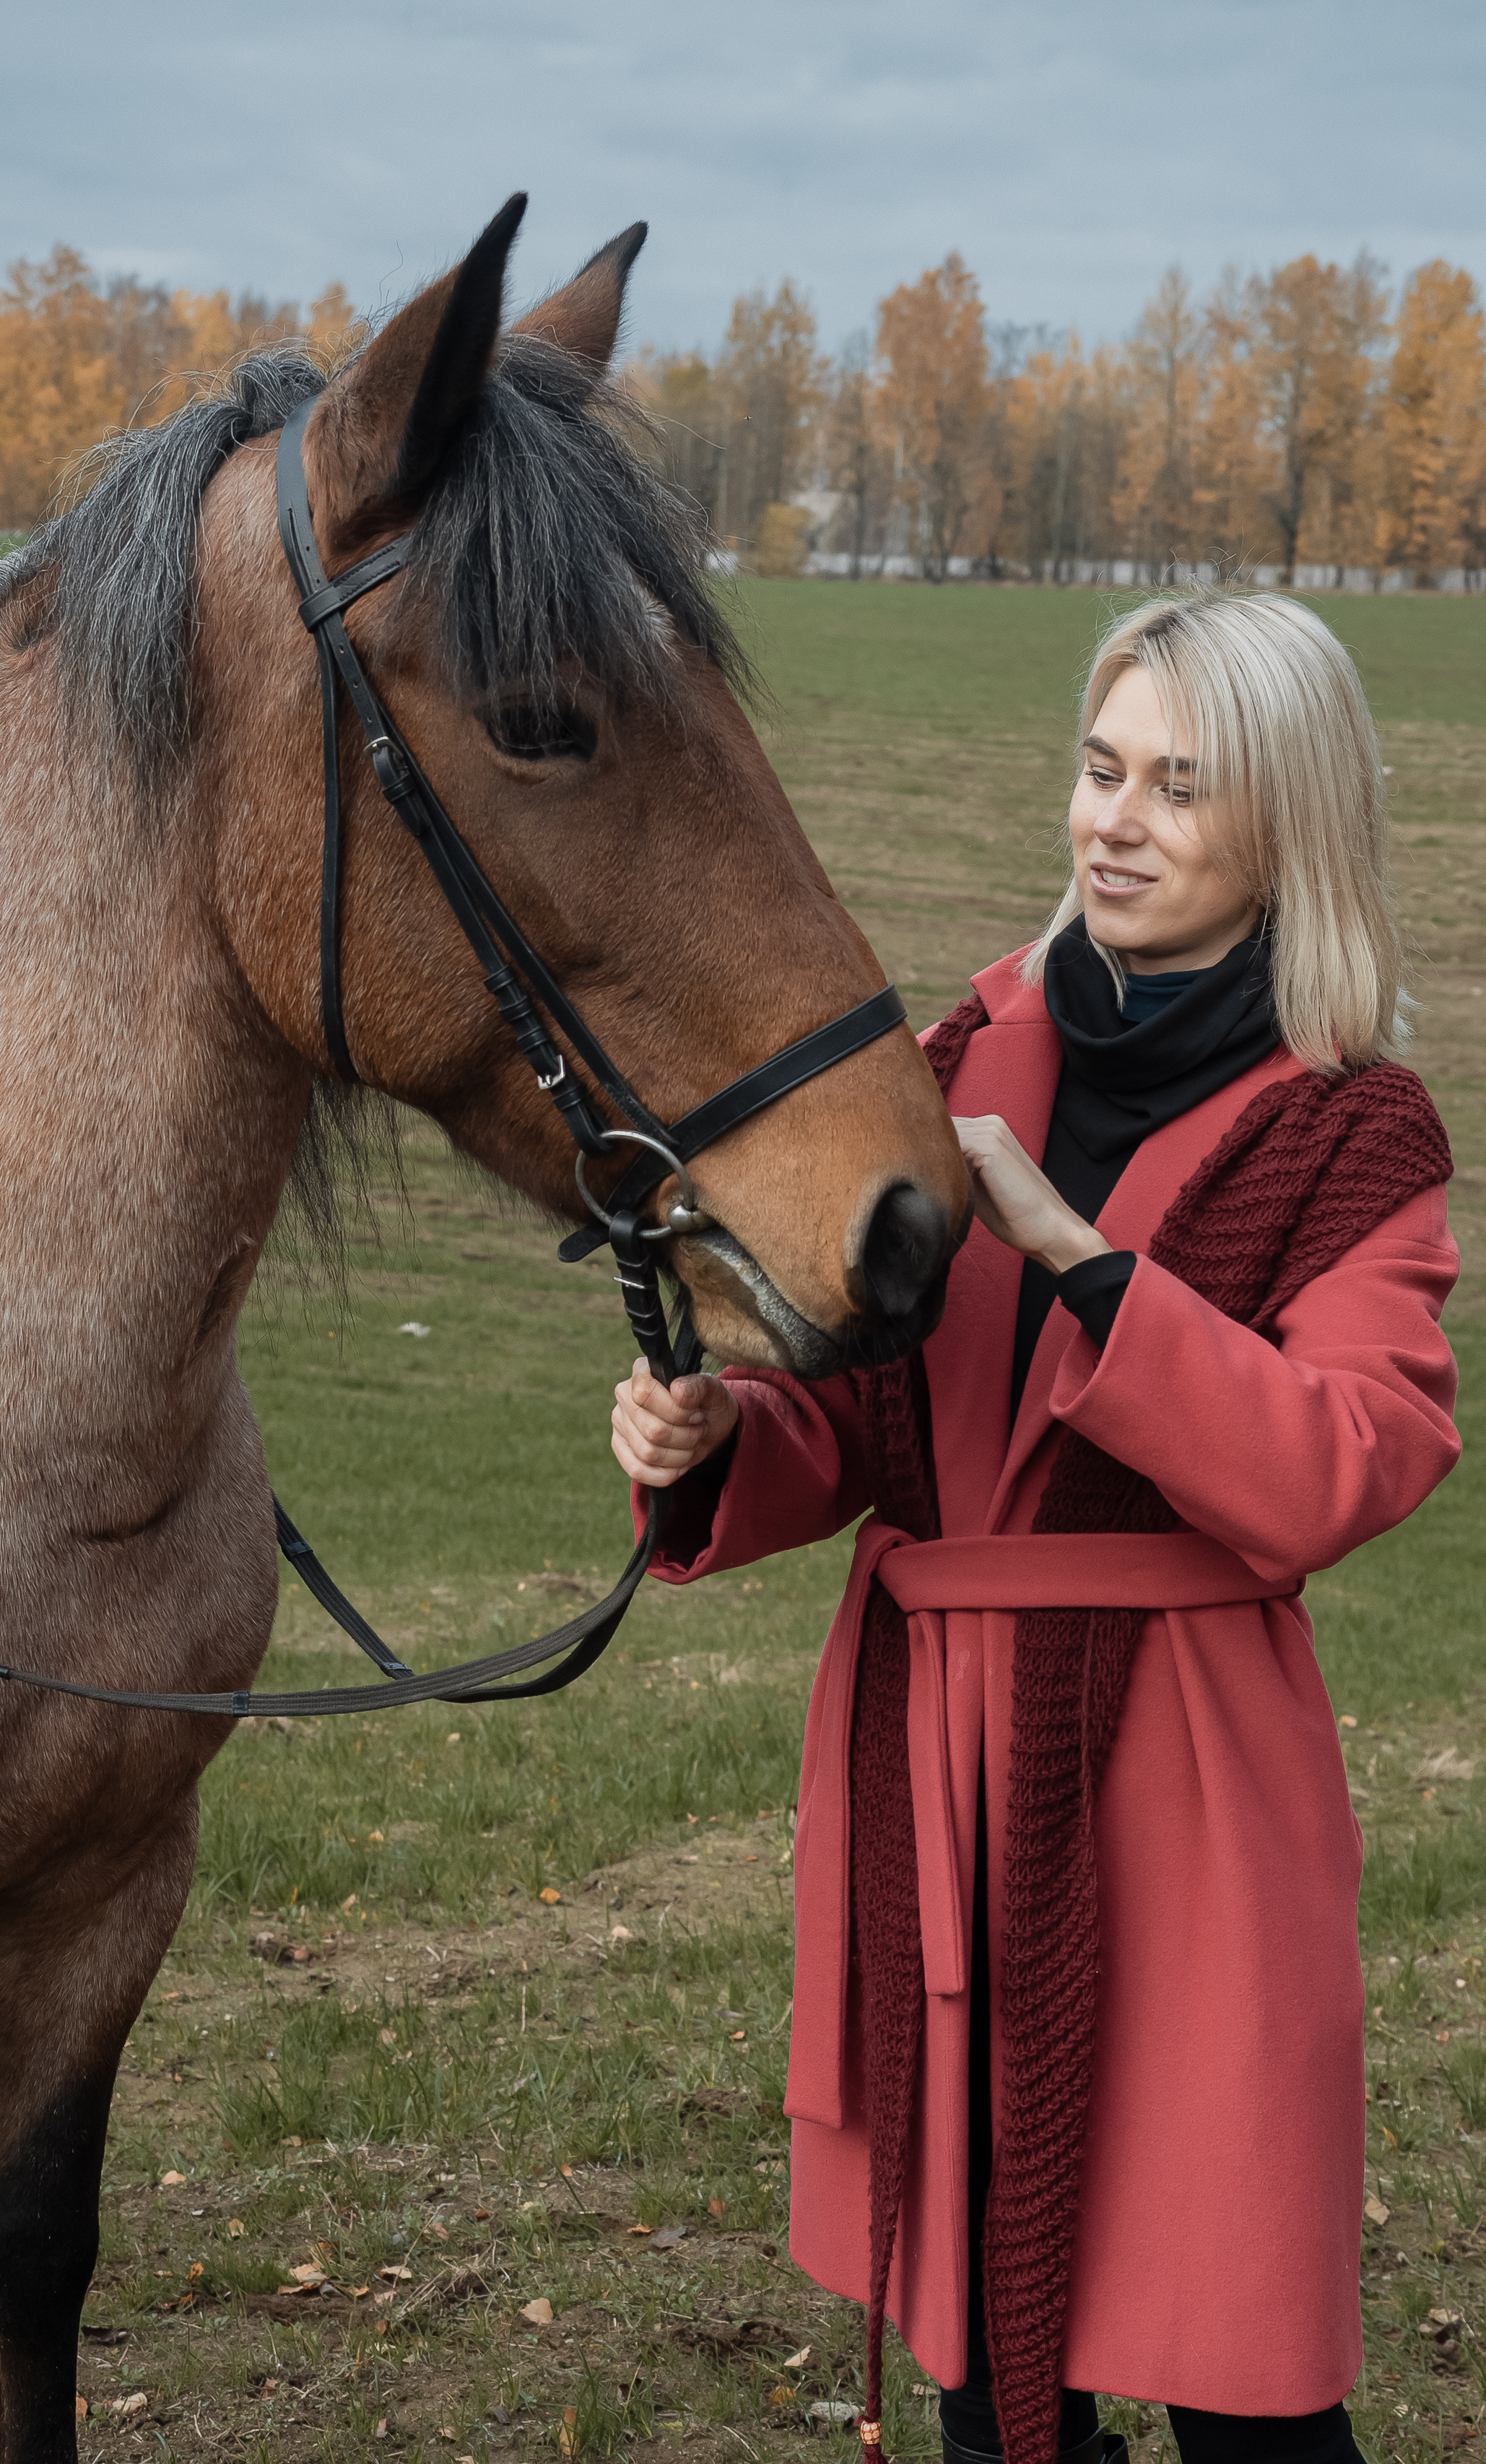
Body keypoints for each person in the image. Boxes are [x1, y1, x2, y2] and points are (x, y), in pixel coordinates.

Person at [610, 591, 1459, 2464]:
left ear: (1286, 828)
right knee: (994, 2387)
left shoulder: (1354, 1130)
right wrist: (709, 1443)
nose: (1115, 820)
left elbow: (1348, 1463)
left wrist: (1080, 1266)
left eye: (1178, 784)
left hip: (1189, 1796)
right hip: (937, 1782)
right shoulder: (949, 1057)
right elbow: (858, 1427)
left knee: (1248, 2385)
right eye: (1099, 769)